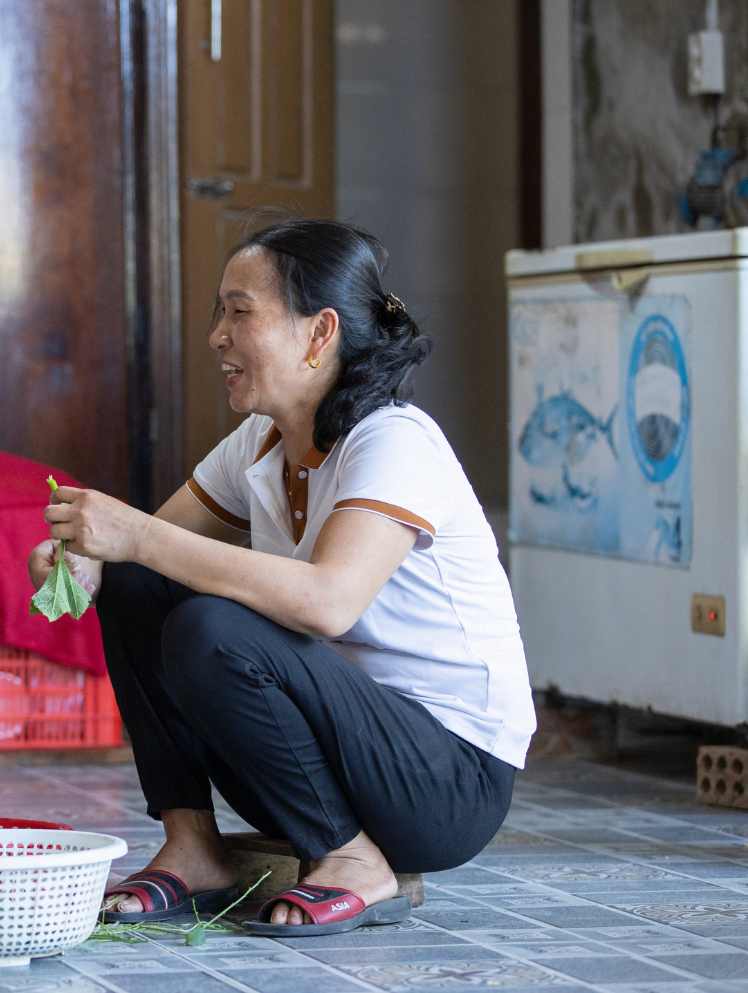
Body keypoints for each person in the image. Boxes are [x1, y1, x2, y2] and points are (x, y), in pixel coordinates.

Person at [27, 218, 533, 937]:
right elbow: (143, 557)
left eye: (241, 312)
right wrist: (81, 559)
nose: (217, 337)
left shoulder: (393, 441)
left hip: (446, 783)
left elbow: (329, 602)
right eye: (220, 313)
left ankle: (353, 859)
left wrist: (134, 536)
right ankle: (194, 845)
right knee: (141, 582)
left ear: (319, 333)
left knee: (212, 624)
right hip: (315, 764)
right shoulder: (260, 444)